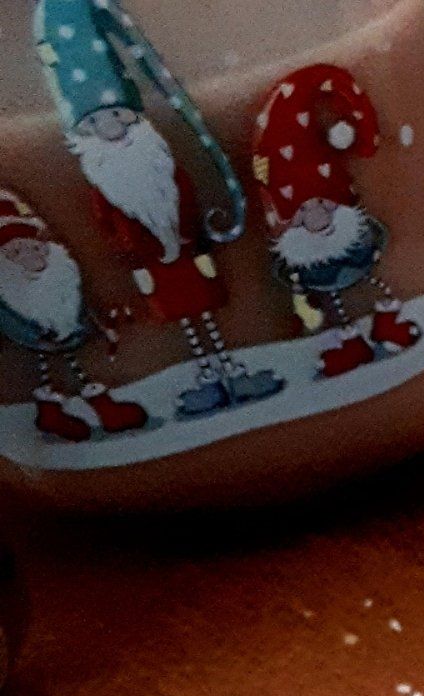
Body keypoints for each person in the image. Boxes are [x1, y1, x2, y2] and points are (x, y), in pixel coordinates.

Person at [33, 0, 282, 419]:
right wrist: (129, 252)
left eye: (117, 115)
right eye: (96, 123)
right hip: (154, 268)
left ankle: (230, 367)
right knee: (184, 318)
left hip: (189, 253)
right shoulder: (105, 181)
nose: (111, 129)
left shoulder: (160, 164)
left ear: (134, 115)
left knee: (206, 310)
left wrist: (189, 233)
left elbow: (184, 196)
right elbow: (107, 225)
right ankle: (205, 377)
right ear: (83, 132)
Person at [252, 64, 421, 378]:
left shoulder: (353, 234)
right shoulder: (306, 256)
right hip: (323, 268)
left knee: (375, 283)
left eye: (321, 202)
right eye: (302, 212)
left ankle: (387, 324)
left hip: (352, 255)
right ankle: (350, 343)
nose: (316, 216)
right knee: (335, 302)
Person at [0, 184, 149, 442]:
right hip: (38, 337)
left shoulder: (62, 278)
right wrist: (35, 335)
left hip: (67, 328)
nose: (29, 256)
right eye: (15, 252)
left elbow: (76, 302)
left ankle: (101, 407)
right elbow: (10, 321)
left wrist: (95, 325)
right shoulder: (11, 295)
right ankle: (53, 413)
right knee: (47, 368)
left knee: (72, 363)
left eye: (35, 248)